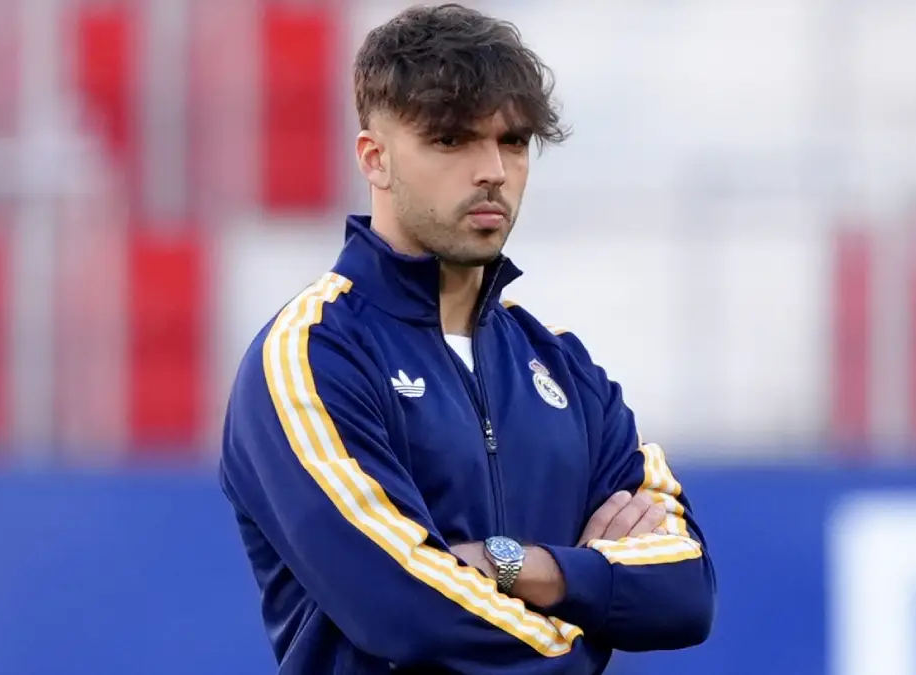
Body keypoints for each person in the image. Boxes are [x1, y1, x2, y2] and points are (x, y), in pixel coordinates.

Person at [219, 4, 717, 673]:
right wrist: (594, 613)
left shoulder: (563, 366)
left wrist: (515, 563)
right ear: (375, 158)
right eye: (452, 139)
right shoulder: (312, 354)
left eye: (513, 141)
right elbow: (407, 612)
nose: (493, 170)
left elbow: (686, 589)